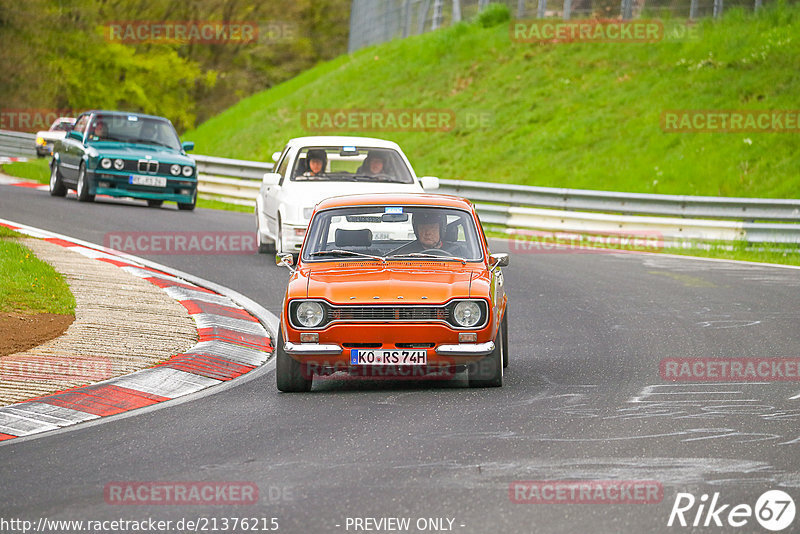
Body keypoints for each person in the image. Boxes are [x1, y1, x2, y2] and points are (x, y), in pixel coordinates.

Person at [392, 211, 467, 256]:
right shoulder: (405, 254)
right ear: (416, 230)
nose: (427, 233)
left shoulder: (460, 252)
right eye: (422, 228)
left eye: (432, 228)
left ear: (441, 229)